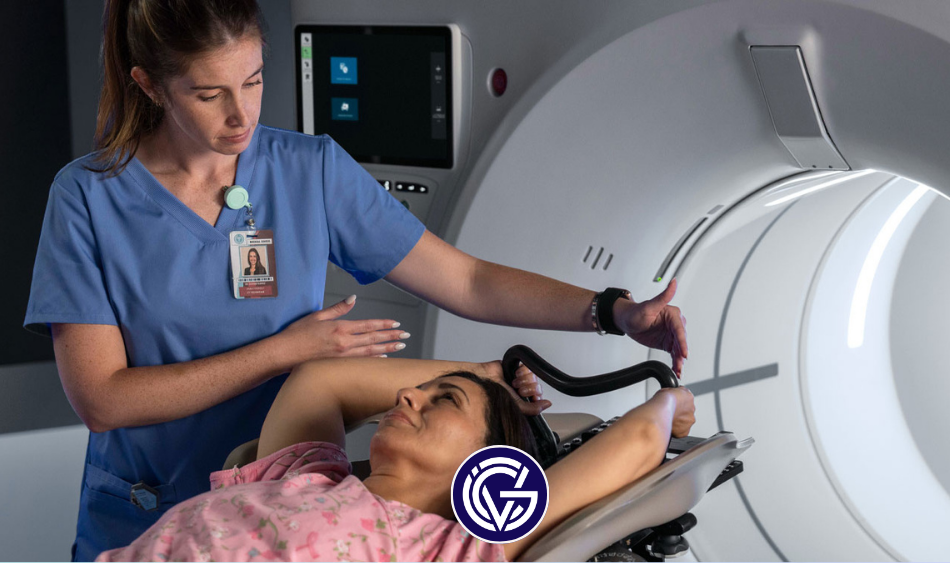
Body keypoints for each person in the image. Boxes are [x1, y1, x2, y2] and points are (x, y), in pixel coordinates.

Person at [23, 0, 688, 559]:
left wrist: (614, 311)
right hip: (149, 514)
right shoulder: (88, 198)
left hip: (293, 478)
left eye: (254, 80)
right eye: (209, 93)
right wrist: (281, 353)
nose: (242, 116)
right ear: (148, 83)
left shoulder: (306, 169)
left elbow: (469, 281)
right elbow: (102, 399)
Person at [96, 356, 695, 562]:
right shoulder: (307, 475)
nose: (407, 395)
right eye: (422, 389)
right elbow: (320, 382)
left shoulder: (447, 549)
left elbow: (638, 442)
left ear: (495, 470)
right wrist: (485, 376)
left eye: (444, 400)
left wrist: (671, 400)